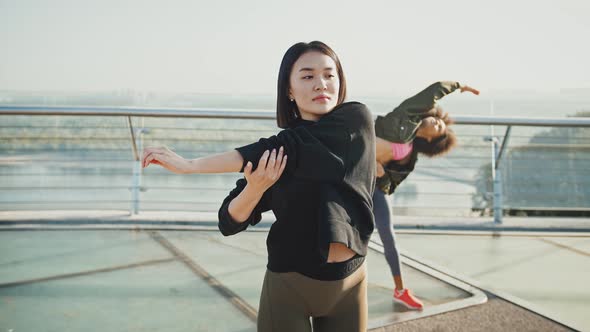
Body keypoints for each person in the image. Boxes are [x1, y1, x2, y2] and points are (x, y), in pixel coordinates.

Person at [142, 41, 378, 332]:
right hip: (289, 286)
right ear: (289, 90)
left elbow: (292, 145)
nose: (321, 84)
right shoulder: (276, 158)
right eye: (307, 76)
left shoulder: (355, 122)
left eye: (329, 75)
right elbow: (228, 221)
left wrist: (192, 166)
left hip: (350, 282)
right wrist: (255, 188)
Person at [372, 81, 480, 310]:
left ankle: (400, 290)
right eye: (438, 120)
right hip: (349, 173)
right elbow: (433, 92)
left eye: (439, 127)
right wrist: (458, 85)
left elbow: (391, 184)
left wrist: (380, 173)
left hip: (372, 186)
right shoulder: (406, 115)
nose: (437, 122)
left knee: (387, 234)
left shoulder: (409, 157)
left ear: (431, 139)